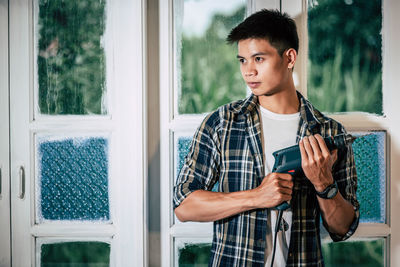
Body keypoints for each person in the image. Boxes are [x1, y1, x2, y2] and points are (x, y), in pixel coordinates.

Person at [173, 9, 359, 267]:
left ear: (289, 57)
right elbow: (184, 205)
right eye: (242, 60)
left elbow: (343, 229)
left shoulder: (330, 133)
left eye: (258, 58)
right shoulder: (221, 124)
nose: (248, 71)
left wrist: (324, 184)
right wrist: (257, 196)